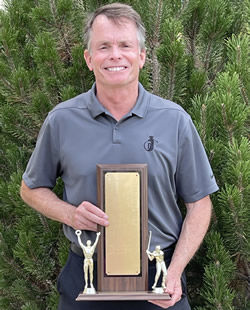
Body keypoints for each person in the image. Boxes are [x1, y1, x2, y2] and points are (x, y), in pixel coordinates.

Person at [20, 2, 218, 310]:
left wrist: (175, 272)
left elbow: (200, 204)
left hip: (159, 278)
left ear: (140, 56)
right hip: (86, 276)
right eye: (103, 46)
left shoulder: (175, 120)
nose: (115, 55)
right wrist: (70, 214)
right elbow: (30, 189)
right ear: (89, 58)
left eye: (125, 45)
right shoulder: (62, 120)